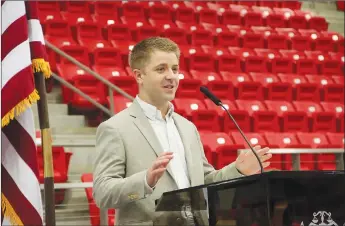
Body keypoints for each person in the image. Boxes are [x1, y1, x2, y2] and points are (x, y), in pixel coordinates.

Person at [93, 37, 272, 226]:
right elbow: (102, 193)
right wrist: (145, 180)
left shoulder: (187, 128)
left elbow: (203, 181)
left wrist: (236, 170)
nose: (171, 76)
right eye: (161, 69)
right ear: (139, 76)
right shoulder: (116, 128)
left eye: (175, 69)